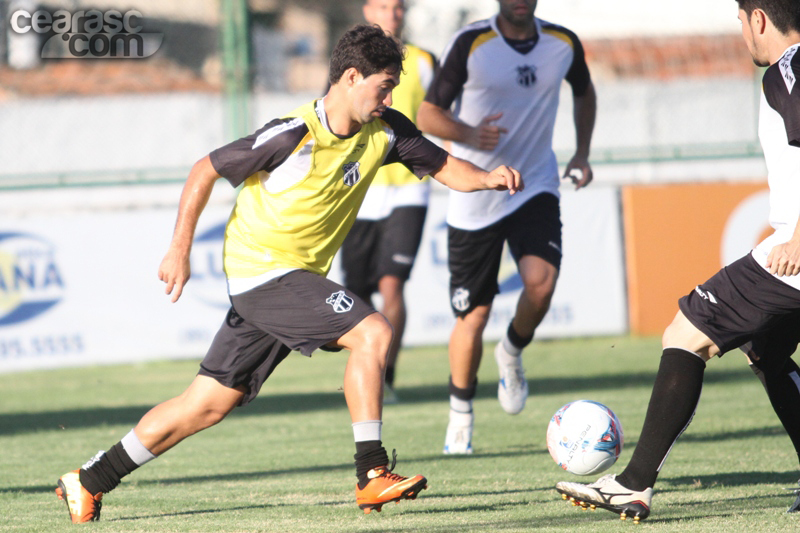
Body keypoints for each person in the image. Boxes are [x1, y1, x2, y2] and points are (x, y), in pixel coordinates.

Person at [53, 24, 524, 523]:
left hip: (287, 279)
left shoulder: (386, 130)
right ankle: (371, 473)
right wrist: (179, 249)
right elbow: (203, 169)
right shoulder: (293, 133)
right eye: (382, 86)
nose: (389, 96)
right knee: (373, 333)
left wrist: (488, 178)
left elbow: (447, 167)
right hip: (263, 272)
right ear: (349, 77)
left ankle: (89, 480)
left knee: (206, 404)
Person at [555, 0, 800, 522]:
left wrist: (799, 235)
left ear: (759, 19)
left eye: (740, 21)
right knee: (767, 350)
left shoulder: (789, 67)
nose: (740, 32)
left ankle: (633, 483)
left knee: (686, 332)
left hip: (796, 252)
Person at [415, 0, 596, 454]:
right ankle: (460, 414)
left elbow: (584, 92)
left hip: (533, 183)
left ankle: (511, 351)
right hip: (475, 195)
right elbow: (427, 115)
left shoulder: (562, 42)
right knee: (471, 317)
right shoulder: (471, 42)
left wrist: (582, 152)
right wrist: (470, 134)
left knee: (541, 284)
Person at [340, 0, 437, 404]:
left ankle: (387, 375)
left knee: (392, 285)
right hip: (361, 190)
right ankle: (364, 369)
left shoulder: (426, 61)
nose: (392, 14)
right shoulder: (350, 63)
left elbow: (438, 113)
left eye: (398, 7)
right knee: (356, 293)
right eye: (383, 6)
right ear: (367, 10)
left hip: (408, 189)